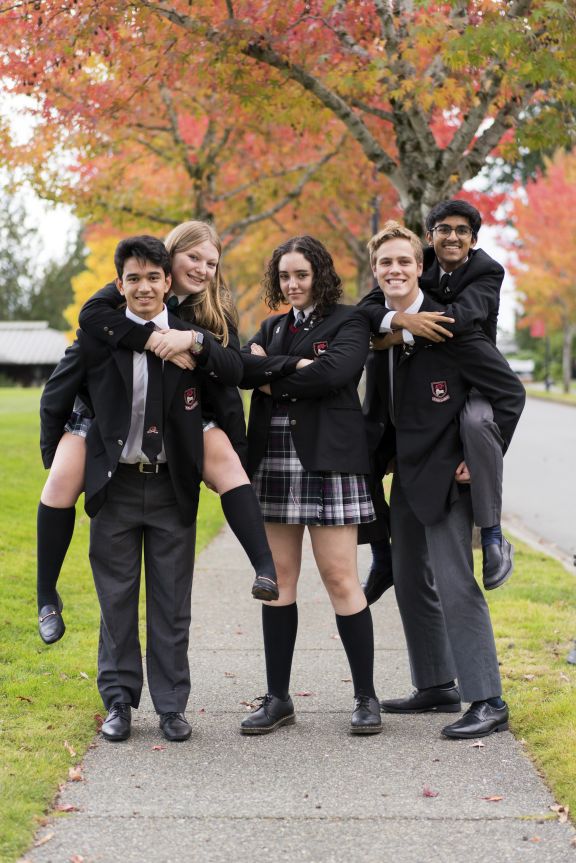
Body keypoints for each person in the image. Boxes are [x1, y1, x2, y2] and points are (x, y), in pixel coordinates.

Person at [36, 221, 278, 645]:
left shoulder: (212, 309)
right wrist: (154, 339)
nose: (202, 269)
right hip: (107, 414)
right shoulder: (131, 285)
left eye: (211, 263)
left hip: (179, 417)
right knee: (59, 480)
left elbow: (232, 370)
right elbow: (88, 322)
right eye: (194, 258)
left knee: (226, 462)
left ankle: (264, 568)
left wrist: (194, 345)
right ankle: (46, 596)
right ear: (172, 257)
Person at [358, 221, 525, 738]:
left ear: (420, 265)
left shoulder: (453, 327)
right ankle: (435, 684)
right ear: (376, 270)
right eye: (385, 262)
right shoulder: (381, 328)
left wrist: (482, 460)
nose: (395, 269)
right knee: (409, 579)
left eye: (404, 261)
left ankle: (487, 699)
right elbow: (360, 319)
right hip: (406, 471)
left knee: (456, 583)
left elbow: (509, 395)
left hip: (449, 474)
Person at [40, 235, 206, 742]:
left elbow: (220, 398)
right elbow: (56, 396)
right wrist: (59, 459)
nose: (143, 287)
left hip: (169, 490)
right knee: (116, 602)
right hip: (113, 488)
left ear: (167, 282)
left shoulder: (187, 338)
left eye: (153, 277)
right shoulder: (99, 334)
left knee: (171, 604)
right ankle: (118, 703)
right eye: (133, 278)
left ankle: (172, 707)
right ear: (120, 284)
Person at [238, 235, 381, 736]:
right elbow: (241, 368)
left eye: (301, 274)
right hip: (273, 460)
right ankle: (278, 699)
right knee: (277, 580)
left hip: (330, 462)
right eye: (284, 276)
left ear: (319, 274)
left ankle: (366, 697)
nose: (292, 284)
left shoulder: (350, 321)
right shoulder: (272, 326)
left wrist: (269, 373)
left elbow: (335, 374)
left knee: (341, 578)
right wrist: (289, 366)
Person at [361, 200, 512, 604]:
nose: (452, 236)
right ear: (430, 236)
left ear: (473, 240)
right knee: (362, 457)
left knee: (479, 427)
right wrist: (400, 321)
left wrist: (400, 329)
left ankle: (494, 535)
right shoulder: (411, 261)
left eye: (462, 231)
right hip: (420, 382)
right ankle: (381, 556)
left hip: (475, 380)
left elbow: (457, 320)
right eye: (444, 229)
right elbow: (369, 308)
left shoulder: (486, 271)